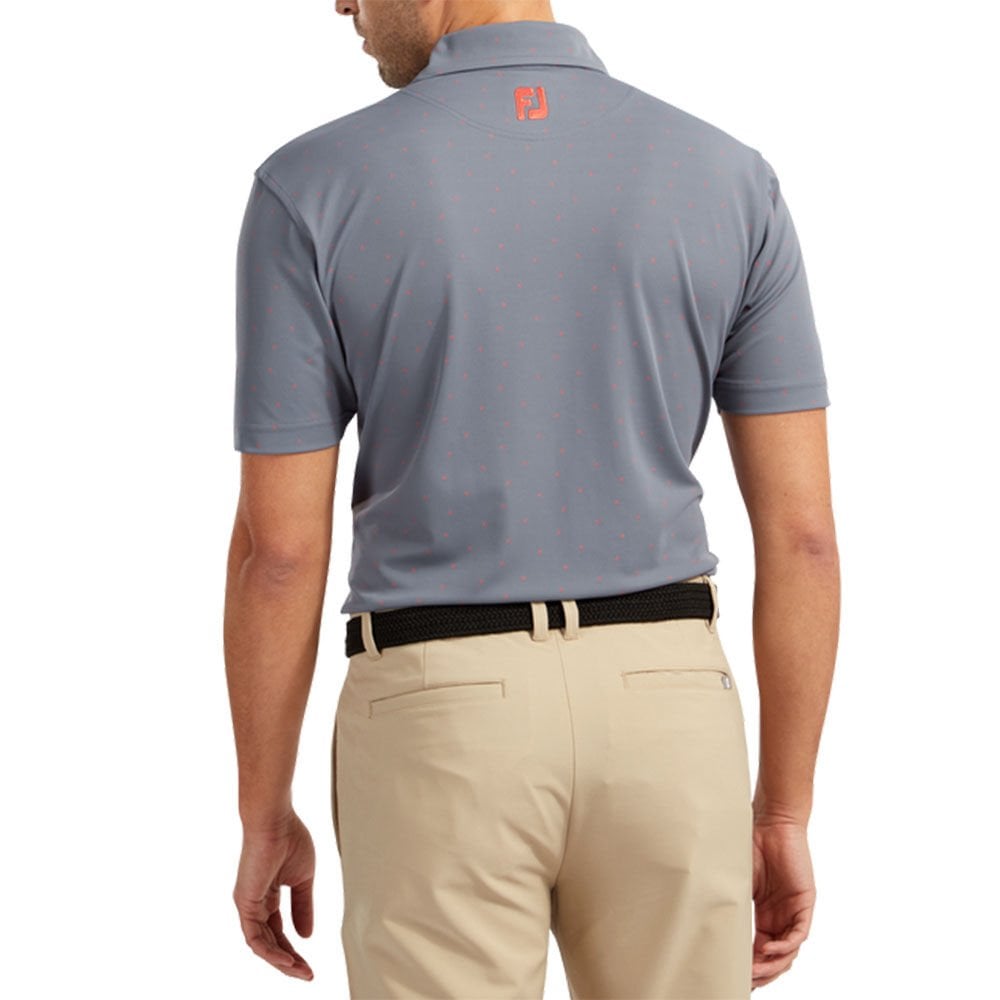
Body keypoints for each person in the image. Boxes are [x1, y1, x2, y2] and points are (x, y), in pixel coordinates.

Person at [223, 1, 840, 996]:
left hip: (436, 712)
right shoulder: (728, 177)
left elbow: (279, 551)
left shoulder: (312, 185)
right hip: (670, 707)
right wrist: (782, 812)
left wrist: (263, 812)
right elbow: (803, 537)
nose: (338, 2)